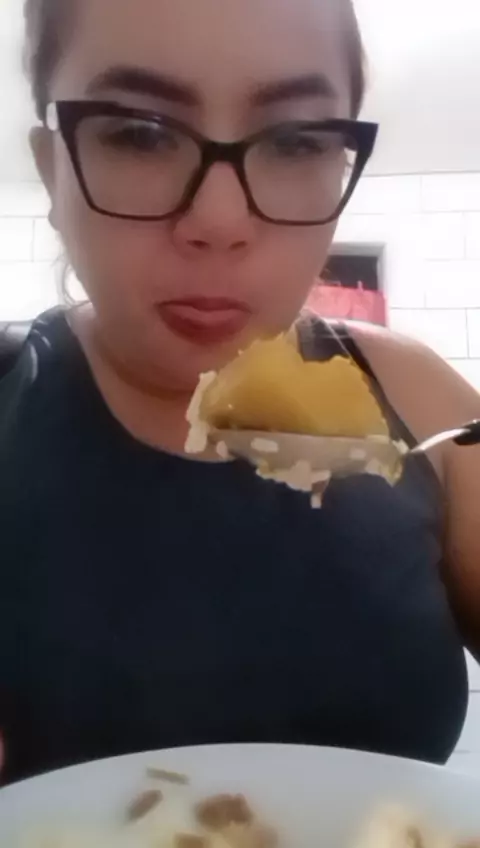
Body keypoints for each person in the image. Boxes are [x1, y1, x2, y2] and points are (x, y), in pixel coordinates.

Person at [0, 0, 479, 787]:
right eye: (139, 132)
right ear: (53, 170)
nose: (220, 220)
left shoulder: (421, 401)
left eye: (297, 140)